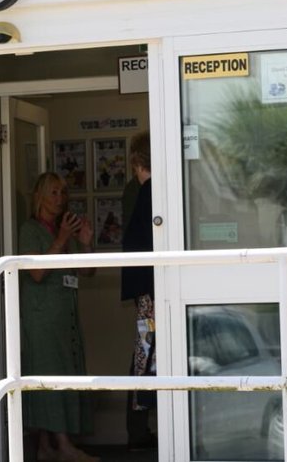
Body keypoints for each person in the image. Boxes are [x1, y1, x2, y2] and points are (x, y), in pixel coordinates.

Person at [18, 172, 98, 462]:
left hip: (67, 315)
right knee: (49, 373)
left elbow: (87, 272)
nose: (60, 198)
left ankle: (46, 447)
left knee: (66, 372)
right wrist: (61, 239)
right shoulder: (31, 230)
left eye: (63, 193)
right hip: (42, 317)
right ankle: (62, 446)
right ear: (40, 196)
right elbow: (36, 273)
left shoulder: (64, 228)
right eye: (54, 192)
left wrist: (86, 242)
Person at [119, 131, 157, 451]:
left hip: (150, 293)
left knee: (146, 354)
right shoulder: (153, 193)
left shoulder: (147, 193)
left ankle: (140, 427)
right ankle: (139, 429)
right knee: (148, 353)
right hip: (153, 292)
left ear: (136, 161)